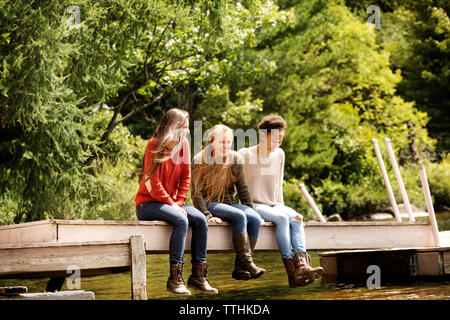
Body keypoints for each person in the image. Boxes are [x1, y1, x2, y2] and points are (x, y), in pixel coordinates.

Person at [134, 108, 218, 296]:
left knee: (201, 220)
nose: (188, 131)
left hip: (173, 203)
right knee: (182, 220)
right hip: (147, 203)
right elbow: (153, 182)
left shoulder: (184, 145)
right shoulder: (154, 145)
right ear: (174, 127)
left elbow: (186, 179)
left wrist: (178, 203)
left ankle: (198, 276)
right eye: (185, 127)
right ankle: (175, 279)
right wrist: (173, 205)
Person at [238, 115, 323, 288]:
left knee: (297, 217)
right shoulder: (245, 154)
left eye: (281, 138)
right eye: (275, 138)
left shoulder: (280, 154)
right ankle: (291, 272)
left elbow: (278, 185)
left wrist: (283, 207)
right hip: (253, 205)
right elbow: (234, 186)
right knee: (282, 219)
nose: (279, 141)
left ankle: (303, 266)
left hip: (274, 204)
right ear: (263, 135)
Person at [191, 124, 266, 280]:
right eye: (221, 142)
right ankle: (248, 262)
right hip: (210, 203)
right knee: (239, 216)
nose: (225, 146)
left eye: (228, 142)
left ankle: (240, 269)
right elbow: (196, 193)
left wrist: (252, 210)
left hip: (230, 202)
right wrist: (206, 214)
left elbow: (243, 188)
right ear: (212, 141)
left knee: (254, 217)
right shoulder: (200, 159)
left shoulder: (235, 158)